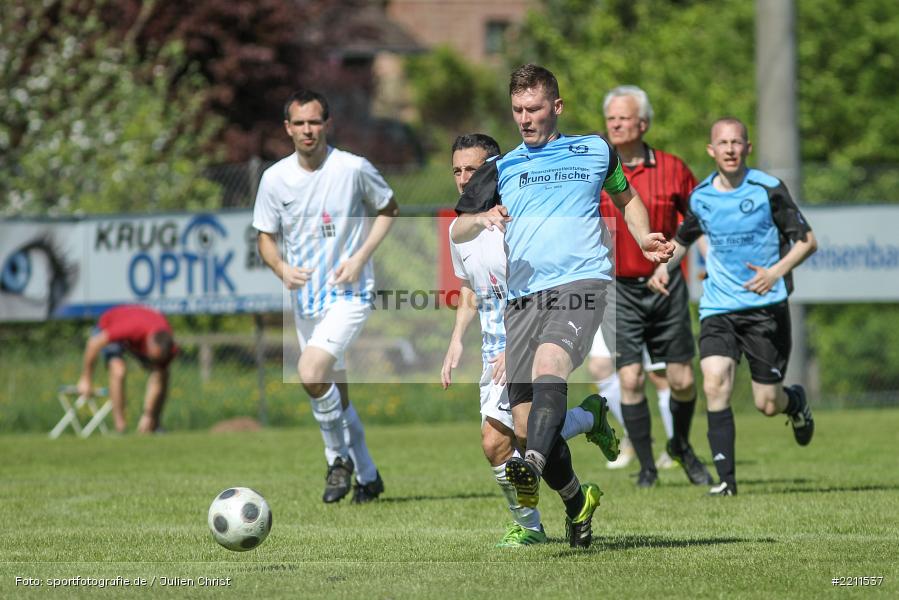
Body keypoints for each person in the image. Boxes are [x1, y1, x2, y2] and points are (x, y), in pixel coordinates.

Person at [453, 64, 673, 548]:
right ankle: (577, 500)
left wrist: (643, 236)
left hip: (583, 283)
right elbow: (456, 228)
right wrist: (481, 217)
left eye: (533, 109)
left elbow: (627, 197)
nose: (524, 119)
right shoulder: (501, 168)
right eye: (516, 110)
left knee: (552, 363)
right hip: (523, 298)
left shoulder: (594, 149)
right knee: (530, 425)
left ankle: (529, 466)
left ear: (557, 107)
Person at [441, 133, 619, 548]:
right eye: (457, 170)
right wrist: (456, 340)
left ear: (495, 171)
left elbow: (538, 293)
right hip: (491, 349)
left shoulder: (522, 220)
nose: (466, 178)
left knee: (499, 439)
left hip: (527, 339)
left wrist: (512, 345)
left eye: (474, 169)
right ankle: (588, 424)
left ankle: (530, 526)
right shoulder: (464, 229)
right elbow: (470, 286)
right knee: (515, 437)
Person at [649, 117, 817, 496]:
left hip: (764, 307)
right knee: (714, 382)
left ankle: (795, 402)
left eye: (736, 142)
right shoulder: (703, 196)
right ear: (712, 150)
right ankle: (727, 482)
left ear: (747, 148)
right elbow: (682, 240)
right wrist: (662, 269)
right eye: (722, 143)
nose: (729, 149)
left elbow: (807, 242)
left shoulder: (769, 189)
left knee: (767, 403)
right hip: (718, 307)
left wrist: (775, 272)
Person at [253, 88, 399, 504]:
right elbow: (265, 239)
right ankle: (368, 477)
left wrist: (360, 257)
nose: (307, 130)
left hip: (350, 293)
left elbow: (389, 209)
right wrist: (282, 269)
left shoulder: (352, 169)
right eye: (298, 123)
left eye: (314, 122)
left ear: (326, 124)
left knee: (312, 372)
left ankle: (338, 460)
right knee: (336, 393)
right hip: (305, 302)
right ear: (287, 128)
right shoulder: (274, 178)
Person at [597, 85, 712, 487]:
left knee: (681, 380)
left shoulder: (672, 168)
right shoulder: (595, 170)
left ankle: (680, 446)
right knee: (629, 379)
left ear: (643, 123)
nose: (614, 123)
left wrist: (679, 262)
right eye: (610, 117)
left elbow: (698, 220)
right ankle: (646, 467)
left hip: (667, 287)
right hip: (619, 290)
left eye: (623, 117)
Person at [77, 304, 176, 434]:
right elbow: (93, 343)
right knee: (118, 370)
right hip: (108, 324)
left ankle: (153, 424)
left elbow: (158, 377)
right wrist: (86, 379)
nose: (151, 360)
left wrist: (148, 414)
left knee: (162, 374)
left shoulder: (169, 345)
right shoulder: (131, 328)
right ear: (149, 342)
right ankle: (120, 427)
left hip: (140, 336)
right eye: (152, 356)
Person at [588, 332, 675, 470]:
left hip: (643, 312)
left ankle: (677, 446)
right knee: (600, 367)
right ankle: (634, 437)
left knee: (659, 376)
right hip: (607, 312)